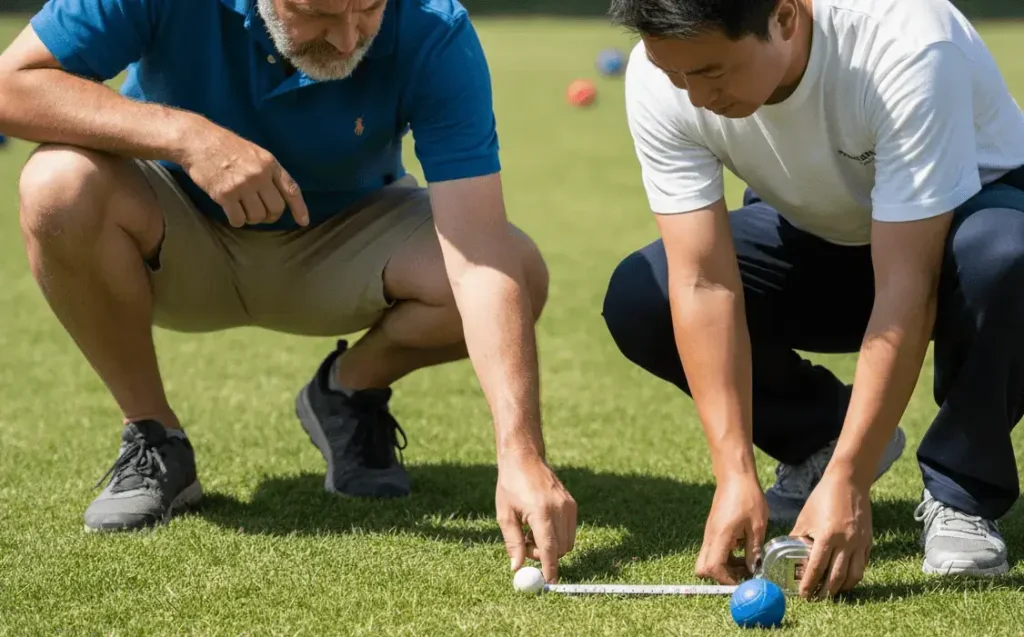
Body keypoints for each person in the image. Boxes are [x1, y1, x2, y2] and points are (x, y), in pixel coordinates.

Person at [0, 0, 577, 582]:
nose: (350, 40)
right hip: (173, 233)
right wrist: (187, 136)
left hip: (344, 240)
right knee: (56, 185)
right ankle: (154, 435)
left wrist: (520, 453)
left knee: (517, 269)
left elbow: (479, 260)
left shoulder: (433, 25)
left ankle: (347, 392)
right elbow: (9, 86)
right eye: (319, 14)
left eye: (370, 10)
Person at [602, 0, 1024, 598]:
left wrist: (850, 483)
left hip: (967, 223)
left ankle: (961, 492)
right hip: (818, 229)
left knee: (1006, 256)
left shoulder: (905, 44)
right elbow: (702, 281)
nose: (695, 97)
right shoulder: (660, 72)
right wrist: (733, 474)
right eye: (678, 77)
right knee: (641, 295)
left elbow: (907, 284)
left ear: (783, 18)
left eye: (713, 73)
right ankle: (818, 441)